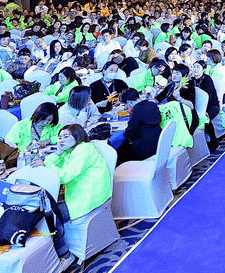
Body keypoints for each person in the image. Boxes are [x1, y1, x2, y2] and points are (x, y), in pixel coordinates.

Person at [35, 124, 112, 263]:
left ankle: (64, 254)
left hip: (88, 196)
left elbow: (64, 176)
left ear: (77, 136)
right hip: (79, 193)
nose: (61, 140)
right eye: (59, 137)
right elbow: (51, 164)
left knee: (49, 215)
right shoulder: (71, 150)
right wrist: (57, 153)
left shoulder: (84, 150)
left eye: (66, 136)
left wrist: (46, 165)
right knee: (45, 208)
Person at [117, 88, 162, 164]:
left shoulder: (136, 110)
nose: (126, 107)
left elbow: (130, 132)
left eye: (125, 104)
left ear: (129, 102)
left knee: (120, 149)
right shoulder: (152, 104)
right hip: (157, 142)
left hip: (144, 148)